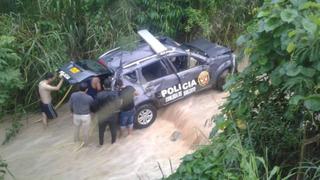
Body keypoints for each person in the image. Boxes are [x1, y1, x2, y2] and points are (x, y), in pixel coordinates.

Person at [92, 78, 121, 146]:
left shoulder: (99, 95)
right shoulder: (115, 94)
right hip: (112, 115)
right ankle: (113, 142)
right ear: (111, 85)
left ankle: (101, 143)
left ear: (103, 86)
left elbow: (94, 105)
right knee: (113, 129)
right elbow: (118, 104)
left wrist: (96, 112)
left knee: (101, 130)